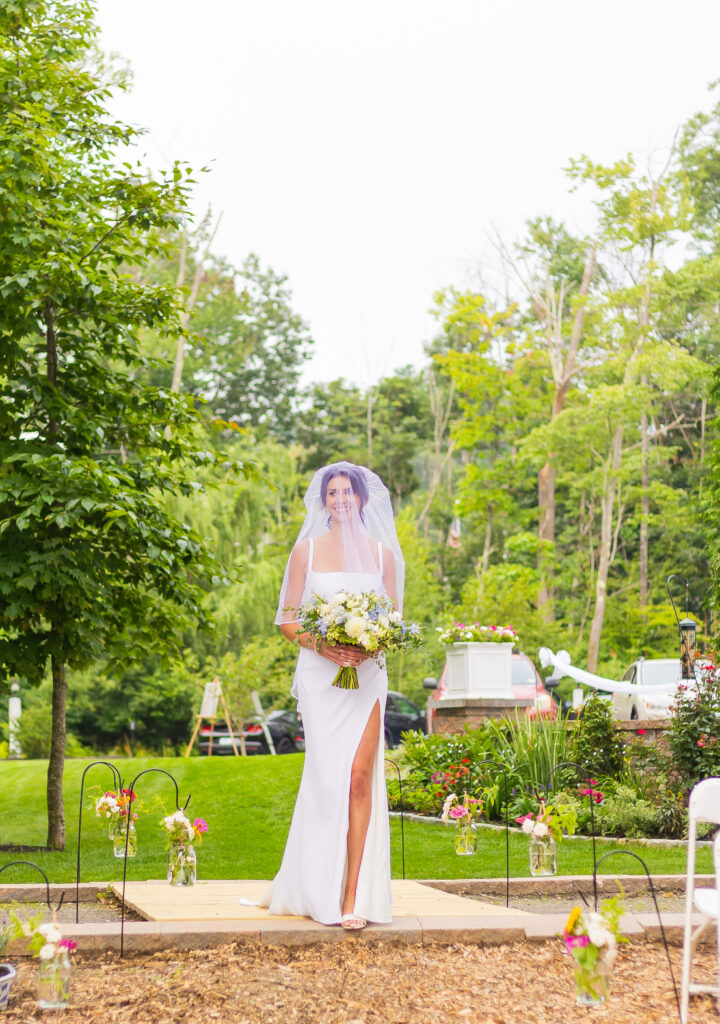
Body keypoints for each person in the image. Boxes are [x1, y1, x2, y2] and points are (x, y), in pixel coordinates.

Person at [258, 461, 405, 929]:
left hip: (367, 677)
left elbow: (395, 622)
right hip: (323, 680)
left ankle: (352, 896)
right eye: (333, 493)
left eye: (348, 492)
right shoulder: (306, 551)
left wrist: (368, 644)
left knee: (360, 776)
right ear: (324, 501)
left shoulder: (384, 558)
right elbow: (286, 621)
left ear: (362, 500)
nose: (341, 500)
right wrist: (326, 644)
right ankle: (315, 884)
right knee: (327, 780)